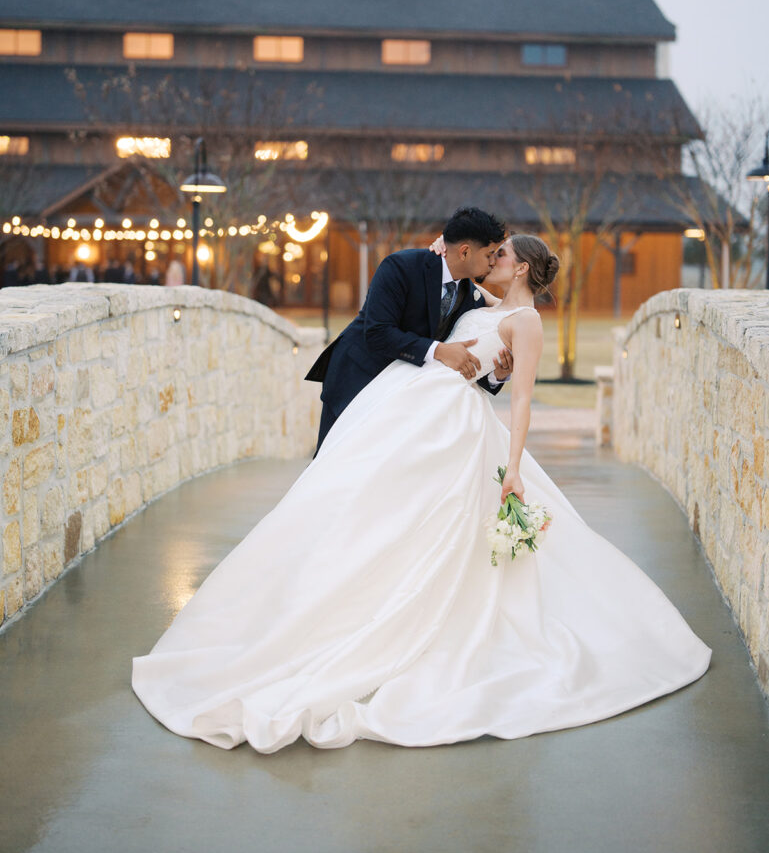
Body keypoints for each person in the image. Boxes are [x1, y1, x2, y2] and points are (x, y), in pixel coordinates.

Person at [132, 233, 710, 753]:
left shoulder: (526, 323)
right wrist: (444, 257)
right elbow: (458, 333)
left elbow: (521, 398)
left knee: (436, 524)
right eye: (490, 251)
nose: (492, 260)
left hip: (455, 430)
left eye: (502, 255)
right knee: (366, 512)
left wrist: (512, 468)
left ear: (525, 268)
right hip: (407, 411)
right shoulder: (477, 301)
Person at [306, 207, 511, 453]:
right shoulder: (401, 267)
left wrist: (497, 374)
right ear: (465, 251)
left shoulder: (473, 299)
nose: (493, 261)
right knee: (332, 469)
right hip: (357, 380)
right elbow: (377, 332)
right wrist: (438, 350)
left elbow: (462, 362)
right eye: (490, 254)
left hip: (400, 402)